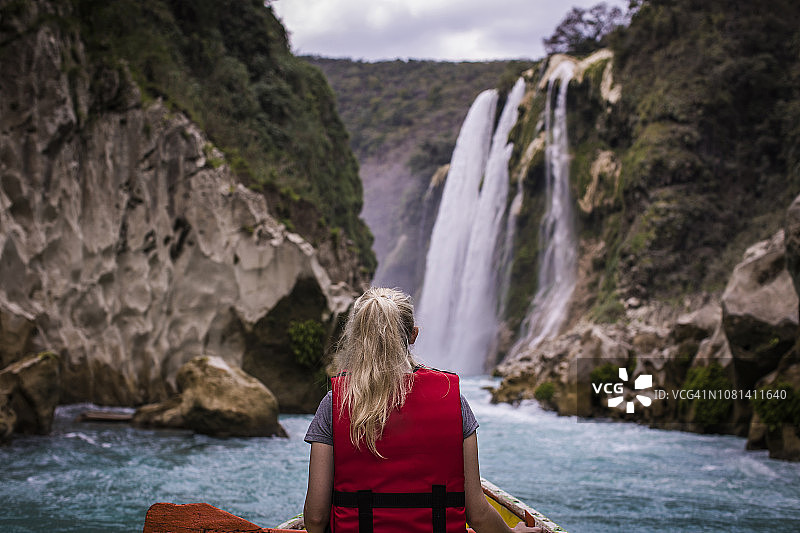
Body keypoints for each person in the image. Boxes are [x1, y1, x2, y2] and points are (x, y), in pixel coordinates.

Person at [303, 287, 542, 533]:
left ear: (356, 337)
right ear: (414, 335)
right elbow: (478, 514)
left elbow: (315, 518)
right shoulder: (452, 398)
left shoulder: (336, 404)